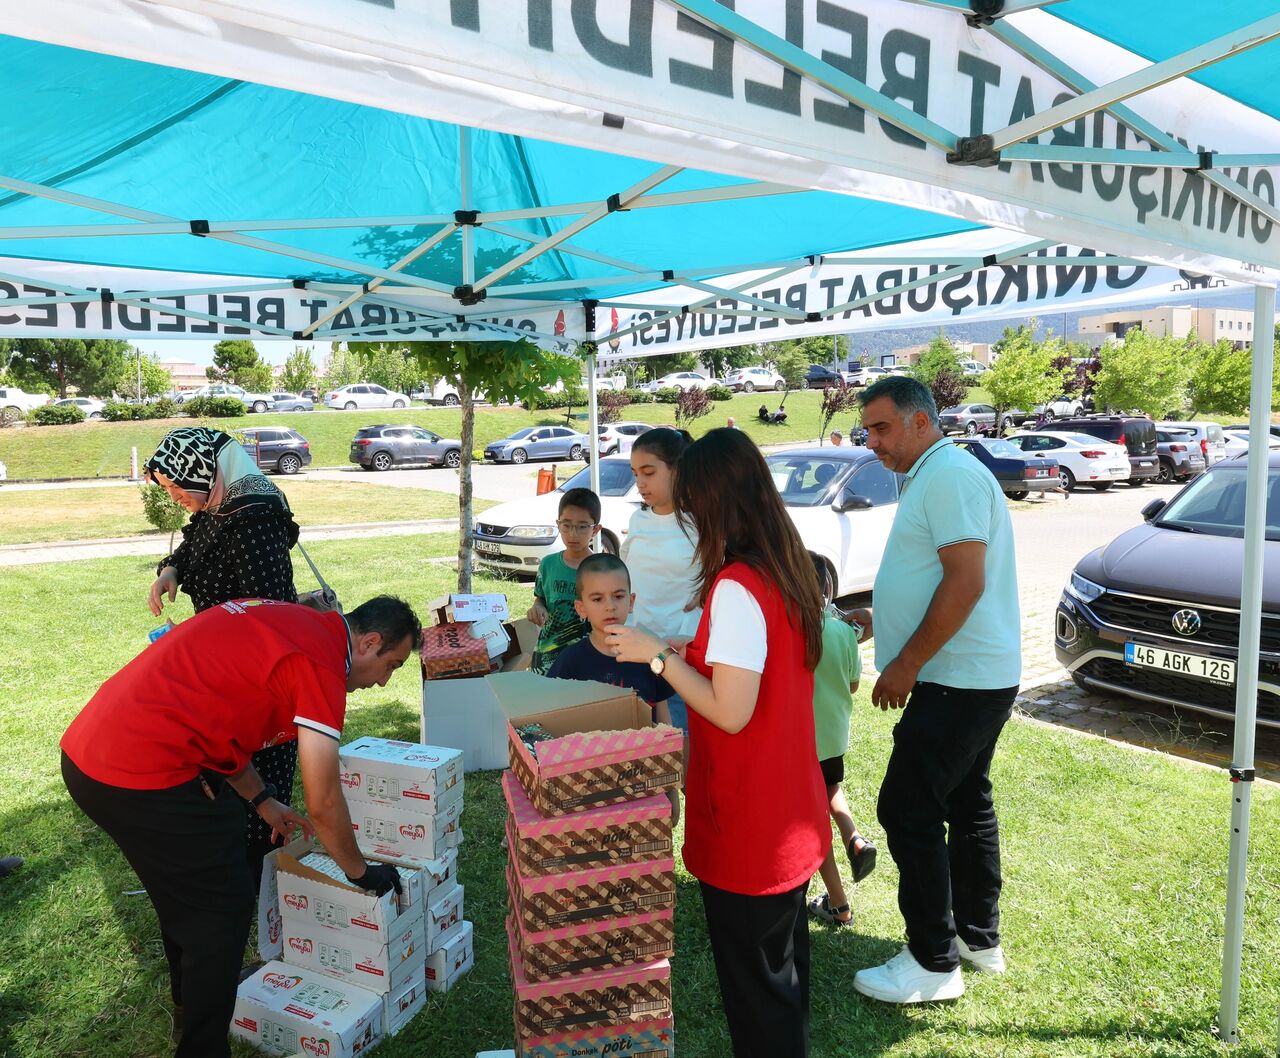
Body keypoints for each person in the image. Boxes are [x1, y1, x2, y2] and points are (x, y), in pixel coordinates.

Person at [61, 595, 421, 1058]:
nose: (385, 682)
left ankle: (194, 1000)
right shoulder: (320, 663)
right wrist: (361, 873)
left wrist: (262, 799)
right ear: (369, 642)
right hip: (136, 767)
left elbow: (223, 712)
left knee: (191, 895)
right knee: (221, 909)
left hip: (93, 751)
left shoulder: (300, 625)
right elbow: (325, 801)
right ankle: (202, 1044)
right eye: (391, 665)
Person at [607, 428, 829, 1058]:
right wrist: (688, 653)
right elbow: (751, 666)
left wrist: (659, 656)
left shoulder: (736, 585)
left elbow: (730, 712)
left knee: (758, 993)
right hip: (788, 805)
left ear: (715, 501)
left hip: (750, 818)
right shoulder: (785, 568)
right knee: (781, 979)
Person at [848, 375, 1020, 1005]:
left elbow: (965, 582)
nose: (872, 442)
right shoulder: (936, 473)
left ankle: (932, 960)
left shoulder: (948, 474)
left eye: (883, 427)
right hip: (970, 676)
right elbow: (933, 576)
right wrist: (880, 621)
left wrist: (907, 663)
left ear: (922, 421)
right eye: (868, 429)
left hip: (956, 679)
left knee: (907, 808)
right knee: (966, 800)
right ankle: (977, 938)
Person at [143, 427, 302, 893]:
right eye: (166, 489)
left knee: (257, 770)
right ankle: (233, 864)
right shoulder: (217, 502)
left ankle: (258, 876)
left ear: (201, 471)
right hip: (220, 662)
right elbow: (194, 543)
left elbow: (267, 613)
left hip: (255, 674)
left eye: (176, 487)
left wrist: (201, 639)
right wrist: (172, 569)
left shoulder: (255, 517)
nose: (173, 498)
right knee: (223, 766)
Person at [548, 553, 680, 822]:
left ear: (631, 602)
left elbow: (664, 722)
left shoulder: (649, 657)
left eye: (618, 596)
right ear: (581, 607)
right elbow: (550, 726)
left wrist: (671, 792)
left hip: (641, 782)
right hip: (586, 786)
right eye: (597, 599)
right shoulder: (570, 662)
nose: (609, 606)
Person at [806, 557, 875, 929]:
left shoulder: (791, 632)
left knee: (812, 822)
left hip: (801, 742)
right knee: (830, 786)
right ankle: (854, 836)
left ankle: (839, 904)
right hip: (833, 736)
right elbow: (852, 686)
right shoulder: (844, 633)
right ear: (828, 591)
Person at [621, 428, 700, 734]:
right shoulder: (638, 520)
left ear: (677, 469)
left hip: (680, 660)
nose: (640, 483)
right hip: (635, 655)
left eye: (649, 472)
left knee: (680, 749)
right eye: (635, 472)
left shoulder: (702, 524)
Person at [527, 487, 597, 674]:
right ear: (558, 524)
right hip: (547, 656)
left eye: (582, 526)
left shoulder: (601, 569)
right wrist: (538, 608)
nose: (573, 533)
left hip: (587, 658)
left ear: (596, 529)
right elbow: (541, 598)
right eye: (566, 525)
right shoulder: (548, 565)